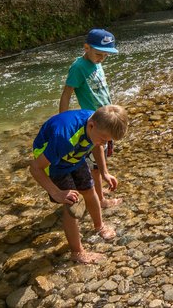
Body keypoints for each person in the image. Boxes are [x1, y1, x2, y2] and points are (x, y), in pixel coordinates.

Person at [30, 105, 129, 264]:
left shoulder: (96, 125)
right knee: (72, 204)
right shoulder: (64, 138)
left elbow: (97, 145)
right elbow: (35, 168)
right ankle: (77, 252)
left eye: (107, 141)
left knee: (90, 190)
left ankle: (99, 226)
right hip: (53, 163)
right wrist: (56, 193)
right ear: (91, 126)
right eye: (103, 138)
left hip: (75, 157)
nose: (104, 143)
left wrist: (104, 172)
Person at [59, 28, 120, 208]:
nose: (101, 58)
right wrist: (63, 121)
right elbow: (66, 94)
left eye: (105, 55)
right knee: (94, 167)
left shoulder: (96, 62)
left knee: (101, 160)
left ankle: (99, 188)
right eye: (98, 54)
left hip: (105, 119)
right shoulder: (78, 67)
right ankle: (100, 200)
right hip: (94, 124)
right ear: (86, 47)